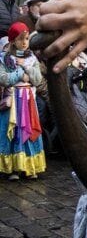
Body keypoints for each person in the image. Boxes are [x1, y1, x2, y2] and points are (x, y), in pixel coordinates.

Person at [1, 22, 45, 179]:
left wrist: (26, 68)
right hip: (13, 101)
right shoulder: (4, 58)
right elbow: (4, 79)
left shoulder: (31, 58)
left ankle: (29, 167)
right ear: (13, 40)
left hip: (28, 100)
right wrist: (20, 73)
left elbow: (37, 79)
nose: (25, 42)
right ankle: (13, 168)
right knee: (13, 132)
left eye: (26, 38)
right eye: (21, 39)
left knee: (29, 130)